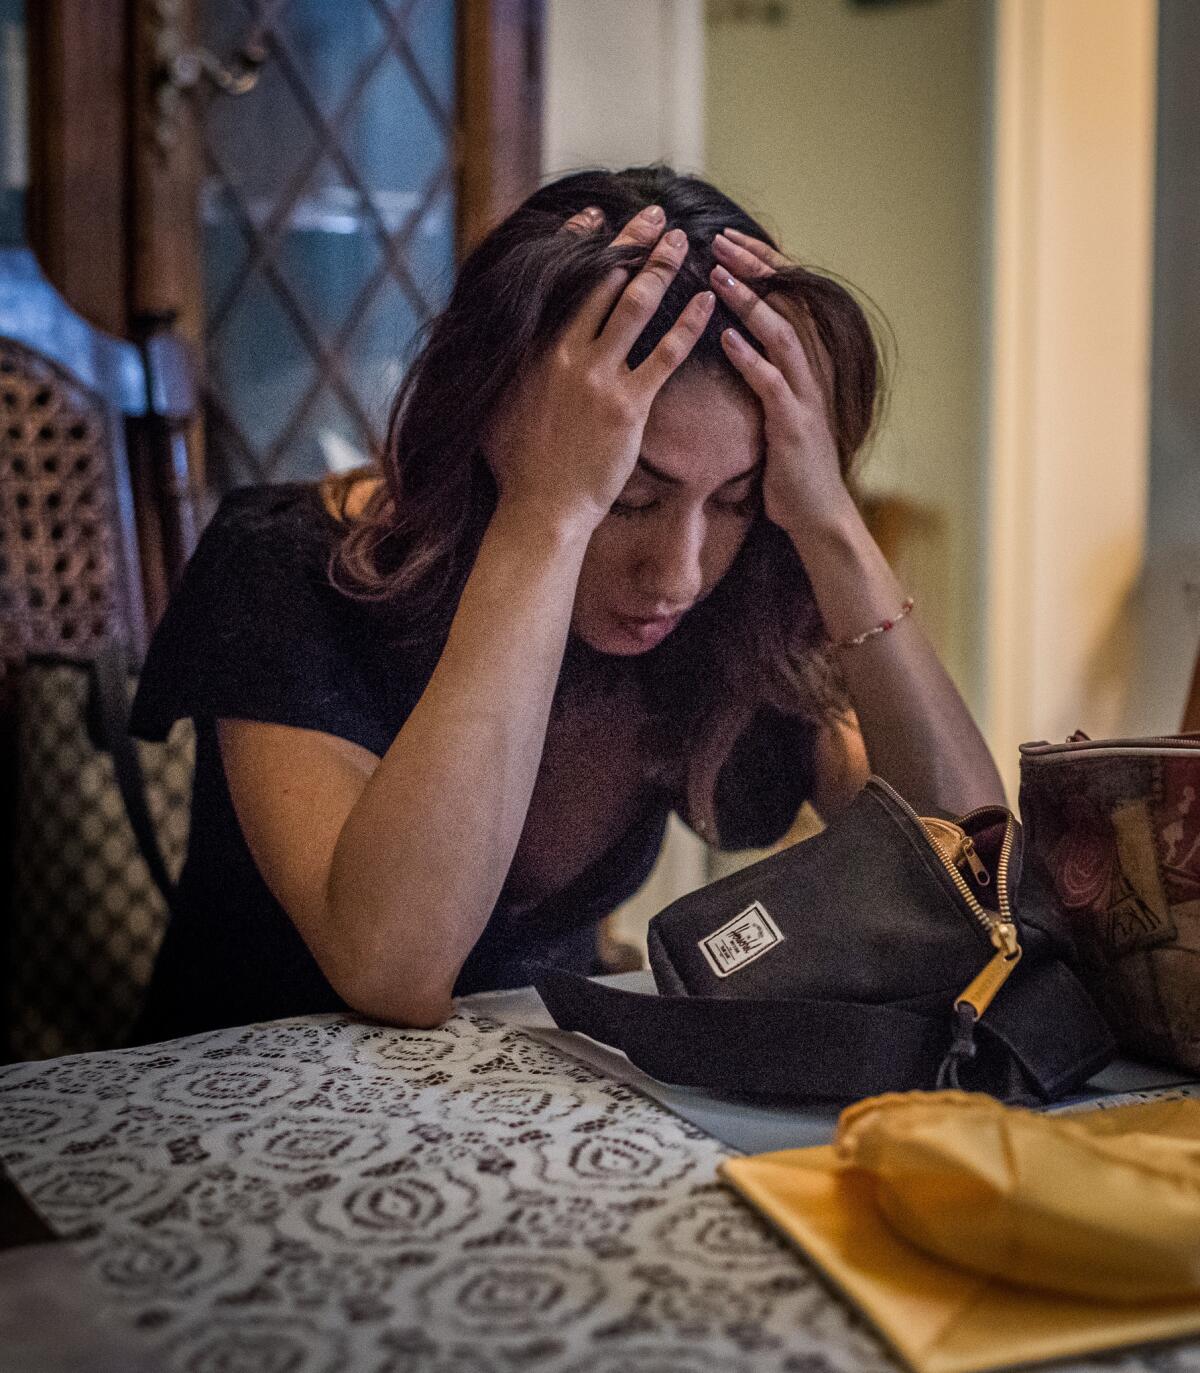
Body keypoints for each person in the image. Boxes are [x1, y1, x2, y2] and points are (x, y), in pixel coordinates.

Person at [129, 165, 1005, 1043]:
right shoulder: (282, 570)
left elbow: (978, 885)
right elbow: (396, 966)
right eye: (630, 497)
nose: (678, 574)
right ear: (495, 429)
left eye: (734, 499)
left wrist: (829, 519)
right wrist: (546, 512)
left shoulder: (734, 605)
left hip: (525, 1120)